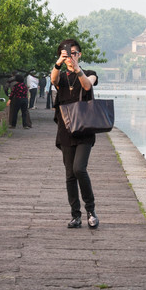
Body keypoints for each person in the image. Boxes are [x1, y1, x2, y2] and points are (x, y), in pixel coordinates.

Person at [51, 39, 99, 229]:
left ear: (79, 55)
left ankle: (91, 211)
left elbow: (88, 86)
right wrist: (59, 63)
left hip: (85, 130)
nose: (71, 57)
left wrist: (77, 68)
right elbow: (53, 80)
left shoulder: (90, 74)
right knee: (70, 174)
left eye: (74, 53)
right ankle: (75, 215)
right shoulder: (61, 77)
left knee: (80, 169)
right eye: (67, 54)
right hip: (66, 130)